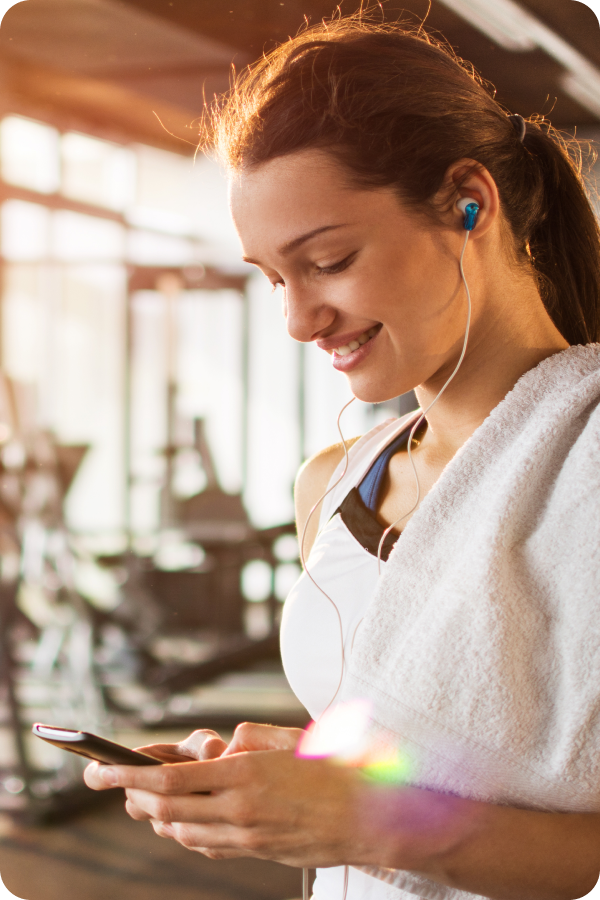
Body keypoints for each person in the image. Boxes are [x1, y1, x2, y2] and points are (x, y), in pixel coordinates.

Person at [85, 15, 600, 900]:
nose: (298, 320)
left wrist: (363, 819)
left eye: (329, 259)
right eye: (274, 278)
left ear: (468, 202)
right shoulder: (333, 485)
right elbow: (408, 747)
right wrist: (279, 778)